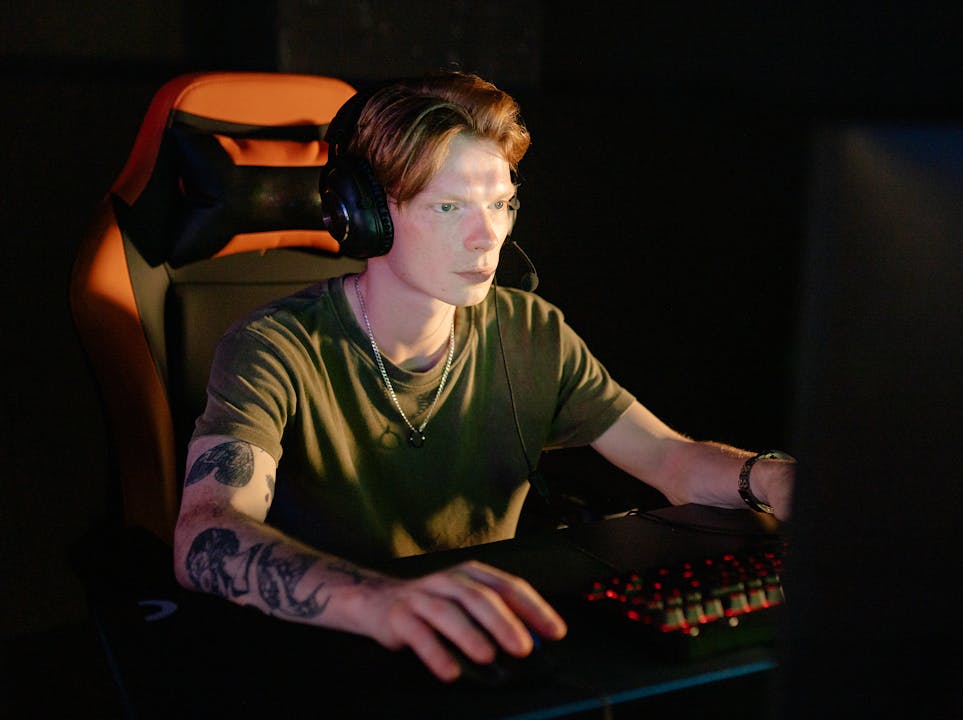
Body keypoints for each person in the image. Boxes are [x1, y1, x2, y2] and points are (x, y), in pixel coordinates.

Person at [172, 70, 795, 683]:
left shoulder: (531, 330)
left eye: (499, 204)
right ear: (364, 215)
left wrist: (769, 476)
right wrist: (378, 600)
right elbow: (207, 534)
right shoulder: (272, 348)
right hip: (334, 660)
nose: (487, 236)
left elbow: (667, 458)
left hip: (486, 643)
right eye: (449, 207)